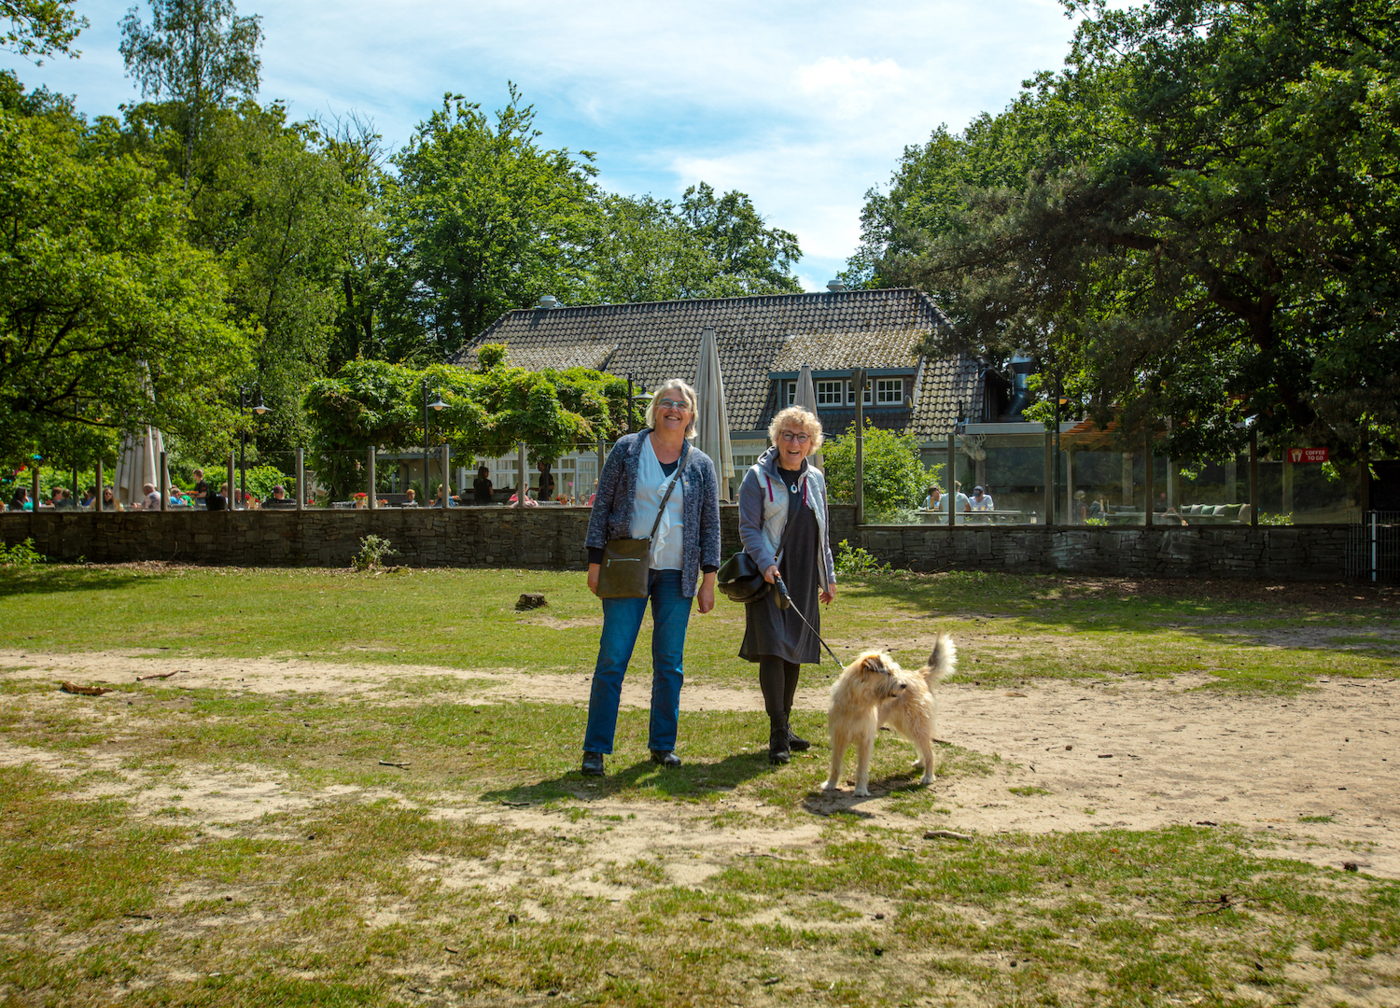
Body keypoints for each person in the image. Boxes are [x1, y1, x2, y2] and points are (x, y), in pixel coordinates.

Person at [581, 380, 721, 777]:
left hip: (678, 574)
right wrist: (595, 561)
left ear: (691, 416)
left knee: (669, 663)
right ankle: (595, 749)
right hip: (626, 567)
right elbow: (602, 504)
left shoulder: (701, 464)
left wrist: (708, 578)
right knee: (613, 657)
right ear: (655, 410)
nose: (673, 410)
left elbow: (710, 525)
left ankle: (662, 745)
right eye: (666, 403)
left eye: (681, 405)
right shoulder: (627, 449)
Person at [738, 405, 837, 765]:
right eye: (787, 435)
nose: (794, 442)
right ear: (776, 439)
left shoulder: (816, 480)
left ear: (812, 443)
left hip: (804, 576)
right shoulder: (757, 477)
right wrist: (766, 565)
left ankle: (787, 724)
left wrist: (828, 576)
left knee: (793, 650)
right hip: (771, 575)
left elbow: (823, 532)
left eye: (802, 437)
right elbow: (748, 528)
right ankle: (777, 731)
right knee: (774, 649)